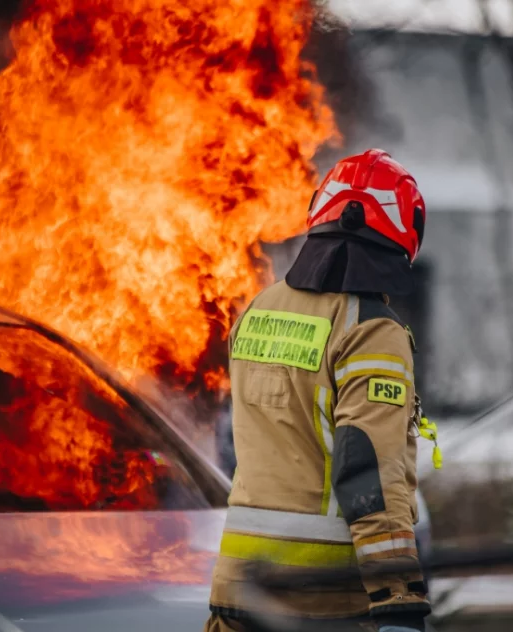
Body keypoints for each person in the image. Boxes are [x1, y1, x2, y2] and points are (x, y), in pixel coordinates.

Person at [204, 149, 431, 632]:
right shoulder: (371, 330)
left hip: (238, 588)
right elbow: (367, 468)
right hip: (323, 601)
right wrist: (398, 597)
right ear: (405, 230)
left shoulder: (257, 309)